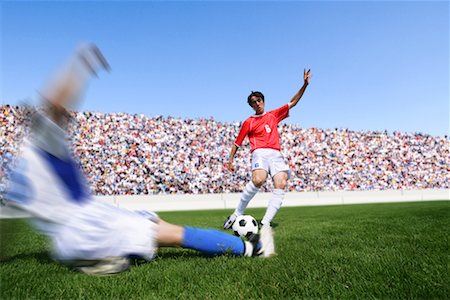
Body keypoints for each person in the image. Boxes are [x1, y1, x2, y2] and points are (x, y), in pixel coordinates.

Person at [4, 44, 275, 276]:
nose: (66, 117)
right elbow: (54, 103)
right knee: (175, 234)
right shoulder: (41, 143)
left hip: (81, 228)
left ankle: (103, 257)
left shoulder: (22, 170)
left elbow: (8, 220)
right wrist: (81, 62)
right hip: (87, 228)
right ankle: (253, 248)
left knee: (160, 228)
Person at [224, 69, 311, 232]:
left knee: (281, 183)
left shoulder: (273, 115)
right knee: (258, 180)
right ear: (250, 105)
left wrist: (304, 85)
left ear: (263, 101)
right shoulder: (248, 122)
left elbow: (292, 102)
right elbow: (237, 142)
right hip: (260, 153)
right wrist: (230, 160)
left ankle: (265, 223)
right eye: (253, 102)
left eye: (258, 100)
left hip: (276, 155)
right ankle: (237, 214)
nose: (257, 103)